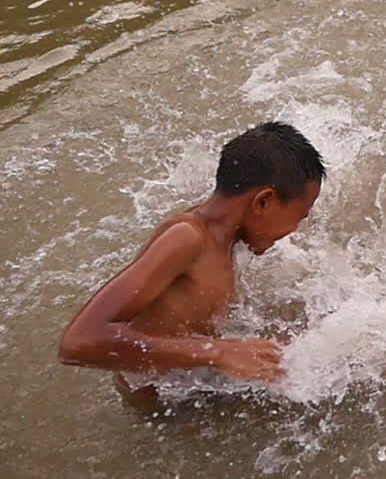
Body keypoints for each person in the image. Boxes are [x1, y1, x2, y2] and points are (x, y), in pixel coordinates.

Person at [57, 121, 326, 405]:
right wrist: (219, 352)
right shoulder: (186, 238)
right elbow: (78, 342)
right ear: (263, 202)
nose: (294, 230)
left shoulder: (230, 237)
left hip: (193, 385)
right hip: (161, 404)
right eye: (300, 216)